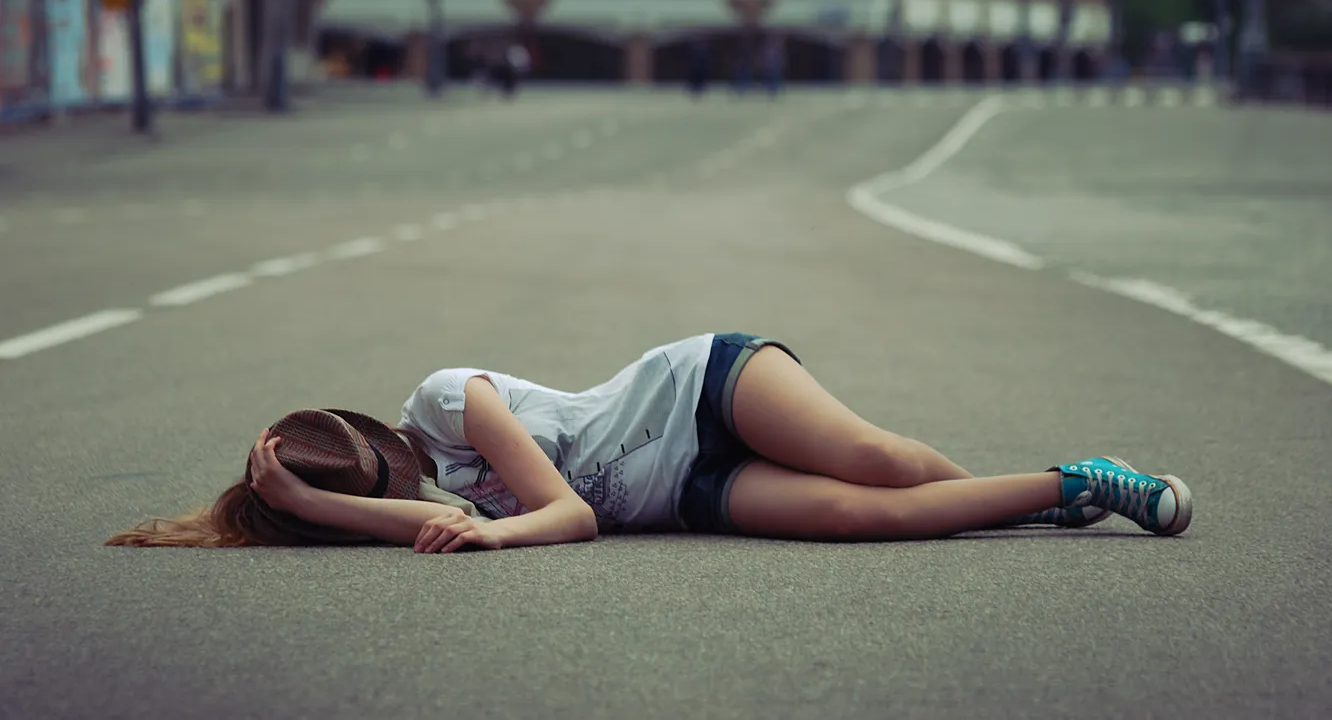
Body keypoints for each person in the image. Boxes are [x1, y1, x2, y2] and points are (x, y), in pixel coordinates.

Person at [106, 333, 1192, 552]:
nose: (392, 471)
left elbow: (570, 515)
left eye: (364, 460)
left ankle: (1058, 492)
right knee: (866, 519)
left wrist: (494, 538)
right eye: (363, 488)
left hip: (699, 389)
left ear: (371, 426)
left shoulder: (448, 400)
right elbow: (447, 518)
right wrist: (316, 510)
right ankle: (1069, 485)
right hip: (688, 494)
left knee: (882, 463)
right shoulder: (429, 512)